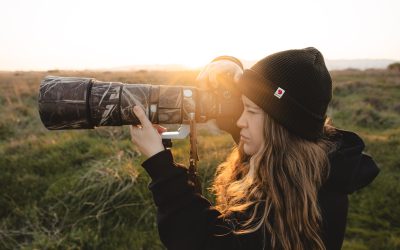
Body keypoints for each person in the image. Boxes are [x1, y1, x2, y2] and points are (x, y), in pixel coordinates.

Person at [129, 47, 380, 250]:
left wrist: (160, 165)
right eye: (243, 107)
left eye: (250, 111)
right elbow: (264, 111)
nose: (239, 122)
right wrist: (227, 63)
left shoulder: (293, 200)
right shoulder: (304, 161)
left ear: (279, 125)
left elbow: (207, 242)